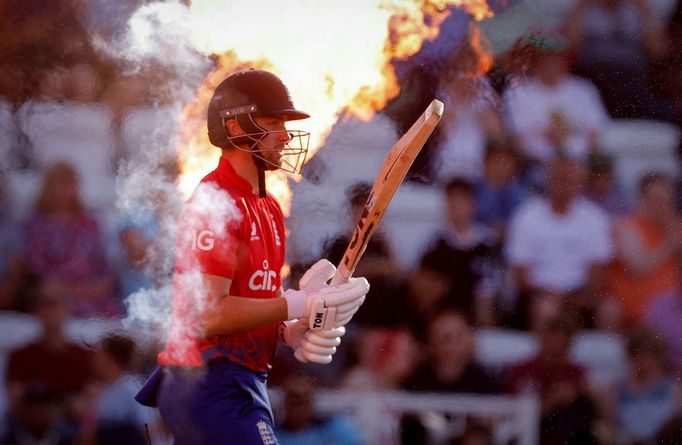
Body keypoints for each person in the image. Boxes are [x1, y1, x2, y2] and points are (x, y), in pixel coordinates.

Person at [135, 70, 369, 445]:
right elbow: (208, 313)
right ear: (237, 127)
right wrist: (295, 303)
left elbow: (257, 301)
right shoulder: (216, 201)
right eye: (273, 123)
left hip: (244, 380)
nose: (286, 135)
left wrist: (290, 330)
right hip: (206, 379)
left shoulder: (270, 207)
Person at [505, 158, 612, 330]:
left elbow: (598, 271)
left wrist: (579, 298)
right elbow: (520, 275)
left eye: (571, 180)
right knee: (547, 309)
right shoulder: (526, 216)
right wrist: (553, 296)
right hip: (539, 295)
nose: (564, 186)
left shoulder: (595, 218)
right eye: (560, 179)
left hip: (580, 294)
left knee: (609, 309)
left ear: (580, 184)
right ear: (549, 181)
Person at [22, 161, 118, 317]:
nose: (66, 190)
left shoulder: (91, 223)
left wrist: (99, 287)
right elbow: (38, 270)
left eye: (70, 184)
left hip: (93, 294)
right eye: (60, 184)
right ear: (49, 187)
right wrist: (67, 290)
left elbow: (104, 265)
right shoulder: (36, 225)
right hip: (56, 296)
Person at [607, 173, 682, 325]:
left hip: (673, 310)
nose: (663, 205)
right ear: (643, 199)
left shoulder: (677, 227)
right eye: (657, 199)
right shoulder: (628, 226)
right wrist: (670, 244)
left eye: (667, 199)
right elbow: (637, 267)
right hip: (635, 308)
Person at [275, 373, 364, 445]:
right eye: (293, 402)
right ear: (284, 403)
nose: (298, 409)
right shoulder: (271, 433)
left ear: (313, 401)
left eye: (304, 401)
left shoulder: (336, 427)